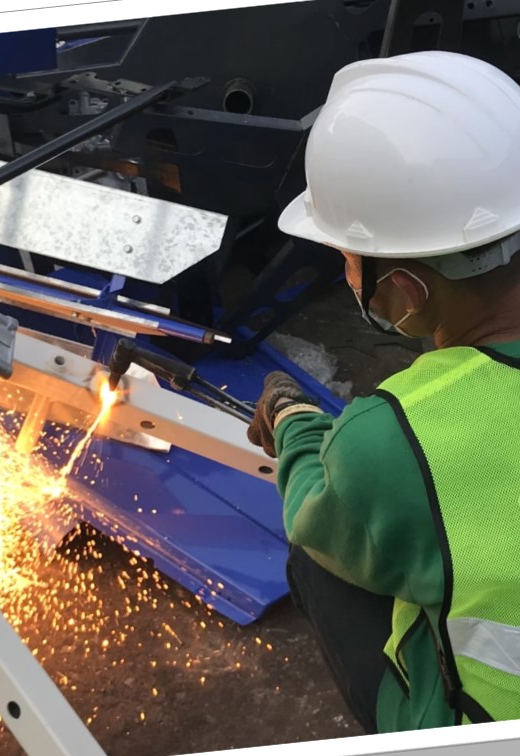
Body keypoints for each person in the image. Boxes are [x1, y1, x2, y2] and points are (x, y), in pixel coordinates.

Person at [246, 50, 520, 734]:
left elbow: (319, 511)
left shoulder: (398, 436)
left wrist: (295, 421)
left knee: (319, 557)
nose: (346, 272)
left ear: (406, 290)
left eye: (347, 258)